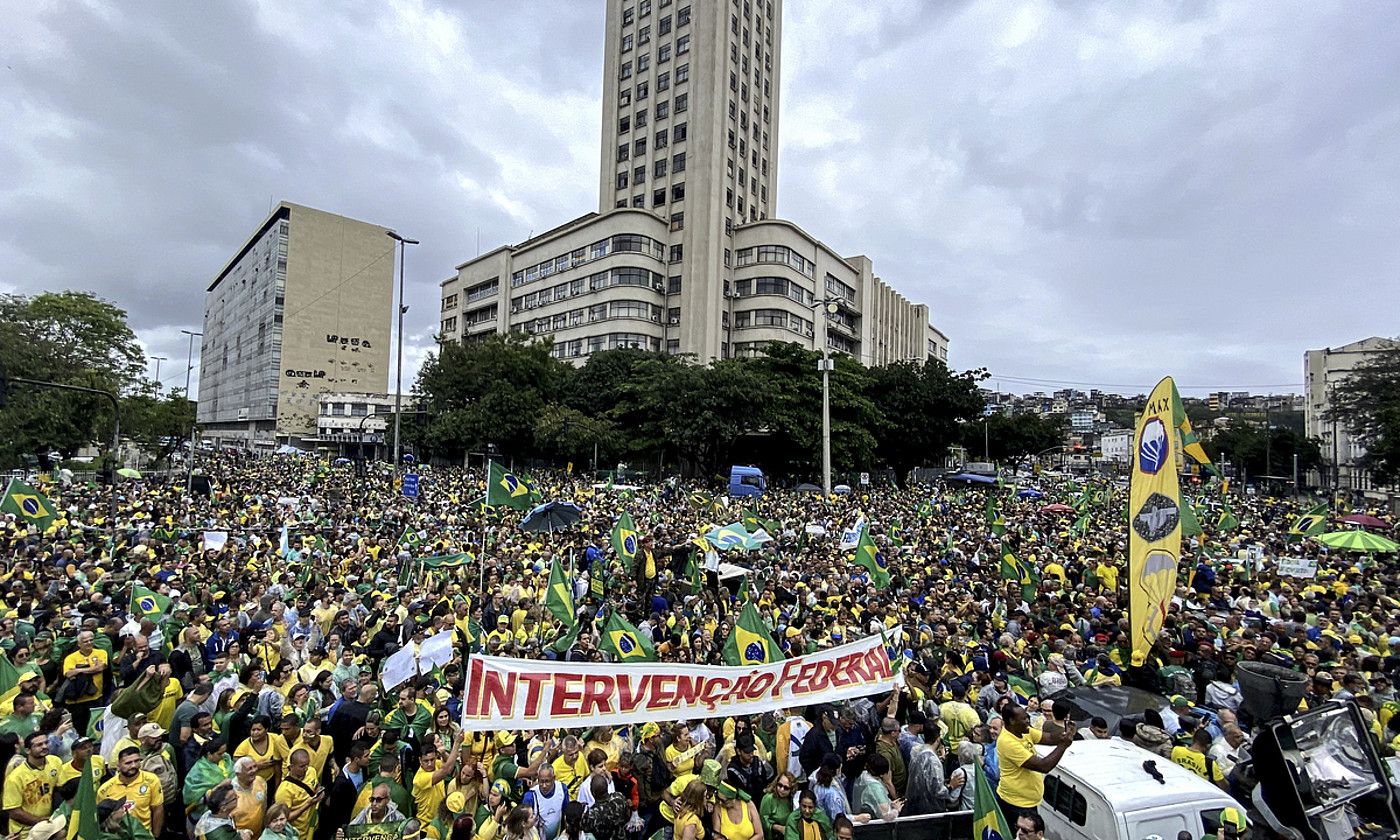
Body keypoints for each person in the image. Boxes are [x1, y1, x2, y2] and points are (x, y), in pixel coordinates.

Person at [995, 705, 1071, 822]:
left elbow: (1050, 738)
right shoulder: (1007, 742)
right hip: (1016, 804)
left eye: (1027, 718)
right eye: (1024, 719)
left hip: (1027, 801)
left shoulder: (1025, 731)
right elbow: (1043, 766)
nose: (1028, 721)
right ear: (1012, 721)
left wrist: (1067, 733)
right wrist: (1063, 746)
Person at [4, 731, 63, 839]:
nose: (44, 746)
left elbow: (58, 790)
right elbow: (14, 811)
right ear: (27, 750)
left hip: (50, 825)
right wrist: (40, 821)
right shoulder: (15, 777)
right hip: (25, 831)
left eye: (46, 742)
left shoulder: (55, 762)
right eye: (39, 745)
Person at [97, 746, 165, 838]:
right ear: (118, 765)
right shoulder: (105, 789)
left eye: (137, 761)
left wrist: (155, 836)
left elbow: (157, 810)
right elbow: (100, 818)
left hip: (143, 835)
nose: (133, 765)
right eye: (128, 763)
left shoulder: (151, 780)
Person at [273, 748, 324, 840]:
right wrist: (308, 804)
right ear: (291, 766)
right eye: (301, 766)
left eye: (307, 765)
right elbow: (285, 818)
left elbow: (316, 785)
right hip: (298, 833)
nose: (305, 769)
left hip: (313, 825)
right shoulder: (284, 790)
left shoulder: (311, 771)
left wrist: (320, 791)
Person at [521, 765, 569, 840]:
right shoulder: (531, 796)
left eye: (547, 781)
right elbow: (524, 821)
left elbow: (566, 813)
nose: (544, 786)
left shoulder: (562, 789)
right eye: (541, 781)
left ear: (554, 778)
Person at [853, 754, 901, 822]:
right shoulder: (875, 788)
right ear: (882, 774)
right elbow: (887, 816)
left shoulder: (861, 776)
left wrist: (891, 804)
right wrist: (897, 809)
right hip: (874, 825)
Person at [758, 773, 795, 840]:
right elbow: (763, 820)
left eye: (786, 788)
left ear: (791, 789)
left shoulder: (792, 799)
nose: (781, 789)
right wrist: (778, 827)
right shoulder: (769, 798)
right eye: (780, 785)